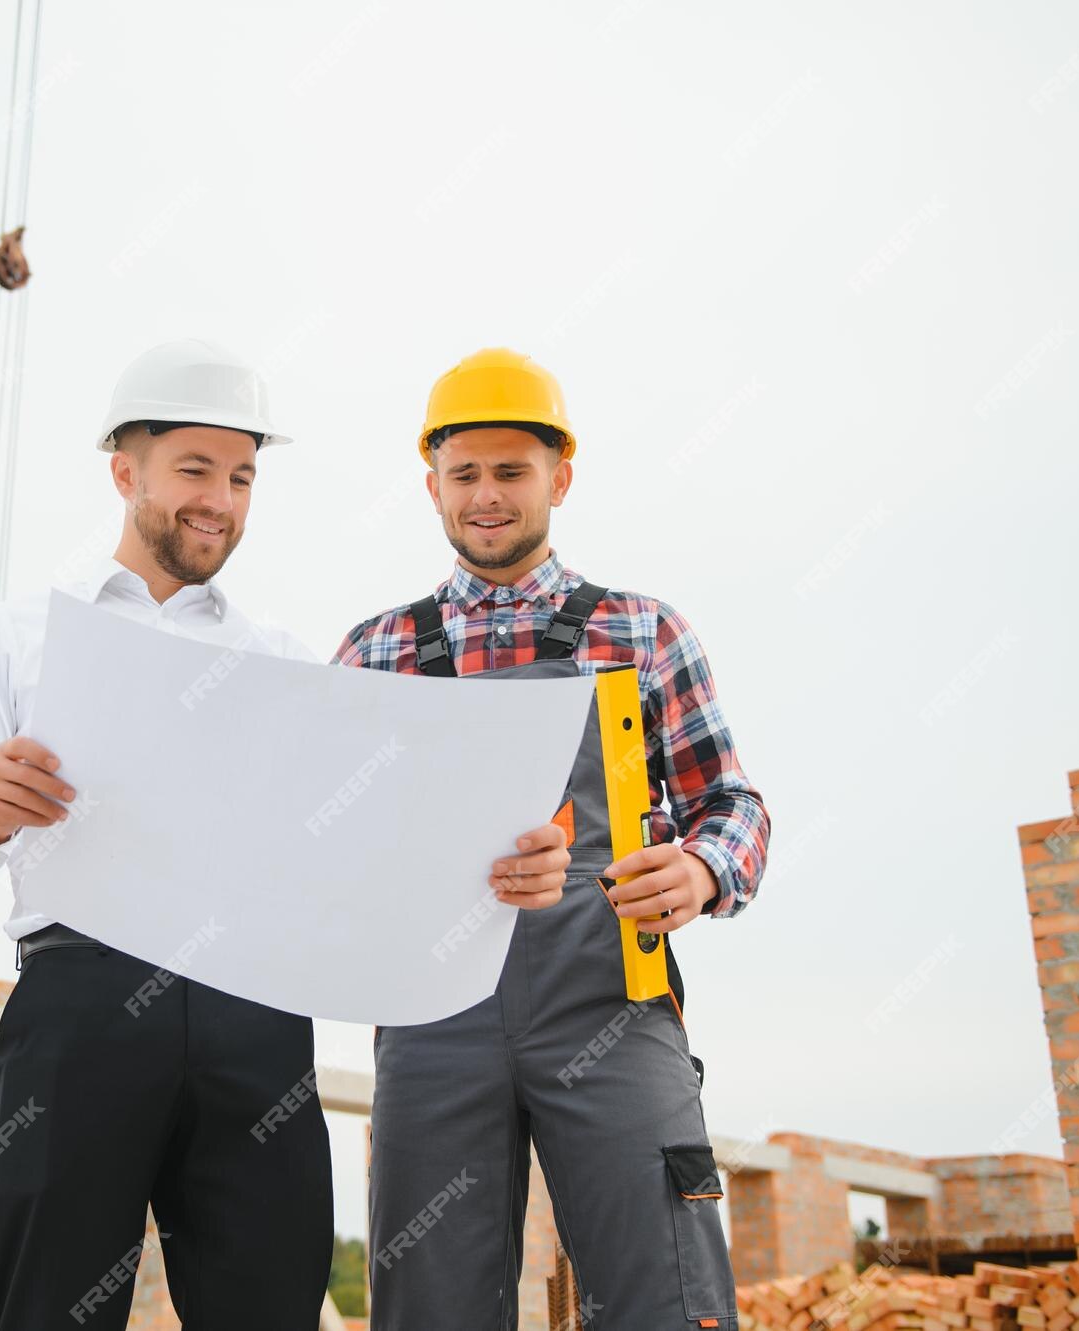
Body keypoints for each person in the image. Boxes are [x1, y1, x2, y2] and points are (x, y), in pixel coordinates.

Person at [0, 339, 581, 1328]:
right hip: (79, 1004)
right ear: (122, 470)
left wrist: (500, 870)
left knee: (267, 1297)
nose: (217, 499)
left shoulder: (279, 662)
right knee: (50, 1302)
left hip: (253, 1011)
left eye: (240, 476)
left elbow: (363, 852)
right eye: (192, 469)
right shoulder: (20, 634)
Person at [334, 347, 772, 1331]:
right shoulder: (373, 654)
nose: (486, 494)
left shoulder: (642, 630)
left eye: (510, 470)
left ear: (558, 478)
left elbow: (732, 804)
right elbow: (328, 850)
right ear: (432, 487)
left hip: (612, 1008)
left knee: (663, 1292)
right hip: (430, 1020)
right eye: (464, 473)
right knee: (428, 1303)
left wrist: (702, 868)